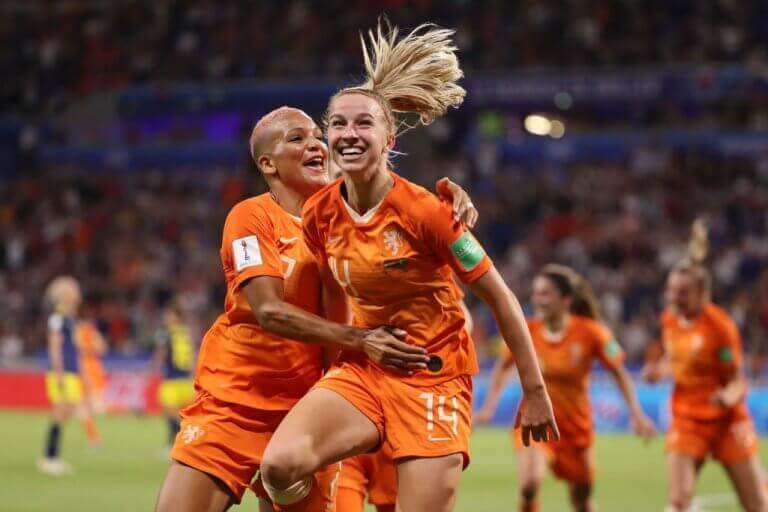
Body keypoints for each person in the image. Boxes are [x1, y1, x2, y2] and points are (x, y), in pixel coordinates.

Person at [259, 21, 557, 512]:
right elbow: (329, 296)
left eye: (363, 124)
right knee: (280, 465)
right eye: (338, 124)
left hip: (433, 377)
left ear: (389, 136)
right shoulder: (320, 213)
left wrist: (535, 390)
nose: (349, 134)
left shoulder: (429, 213)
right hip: (367, 370)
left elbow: (500, 297)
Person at [154, 103, 477, 512]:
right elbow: (268, 311)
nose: (316, 144)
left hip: (314, 406)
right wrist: (359, 339)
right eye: (297, 138)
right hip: (235, 400)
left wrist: (451, 202)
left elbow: (400, 202)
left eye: (315, 136)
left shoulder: (343, 215)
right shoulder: (251, 217)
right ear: (268, 164)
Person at [476, 263, 657, 512]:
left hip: (574, 429)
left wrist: (636, 413)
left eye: (545, 293)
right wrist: (488, 407)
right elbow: (503, 366)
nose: (537, 300)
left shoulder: (592, 332)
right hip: (534, 421)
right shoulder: (527, 330)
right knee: (529, 484)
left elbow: (620, 373)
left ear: (566, 300)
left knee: (581, 500)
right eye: (536, 293)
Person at [643, 220, 768, 512]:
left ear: (702, 294)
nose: (674, 298)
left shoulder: (720, 327)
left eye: (682, 292)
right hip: (688, 419)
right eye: (671, 291)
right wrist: (659, 370)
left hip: (727, 420)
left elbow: (737, 379)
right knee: (677, 501)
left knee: (756, 504)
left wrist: (727, 396)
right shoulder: (669, 319)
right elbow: (673, 357)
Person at [38, 276, 85, 476]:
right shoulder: (58, 318)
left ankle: (51, 456)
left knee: (66, 411)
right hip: (62, 372)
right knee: (61, 411)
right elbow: (55, 346)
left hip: (70, 372)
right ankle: (50, 457)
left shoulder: (69, 319)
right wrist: (58, 373)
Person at [149, 301, 196, 448]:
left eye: (168, 315)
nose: (165, 318)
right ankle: (182, 440)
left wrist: (153, 370)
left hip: (172, 380)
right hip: (186, 381)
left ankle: (174, 442)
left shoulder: (166, 333)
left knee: (170, 412)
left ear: (175, 316)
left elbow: (161, 354)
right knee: (181, 413)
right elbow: (193, 355)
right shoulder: (187, 332)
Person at [76, 318, 107, 446]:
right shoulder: (89, 332)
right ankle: (94, 438)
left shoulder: (83, 332)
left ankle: (94, 438)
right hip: (85, 370)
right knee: (84, 407)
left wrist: (86, 348)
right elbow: (102, 348)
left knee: (89, 407)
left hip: (89, 371)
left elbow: (101, 348)